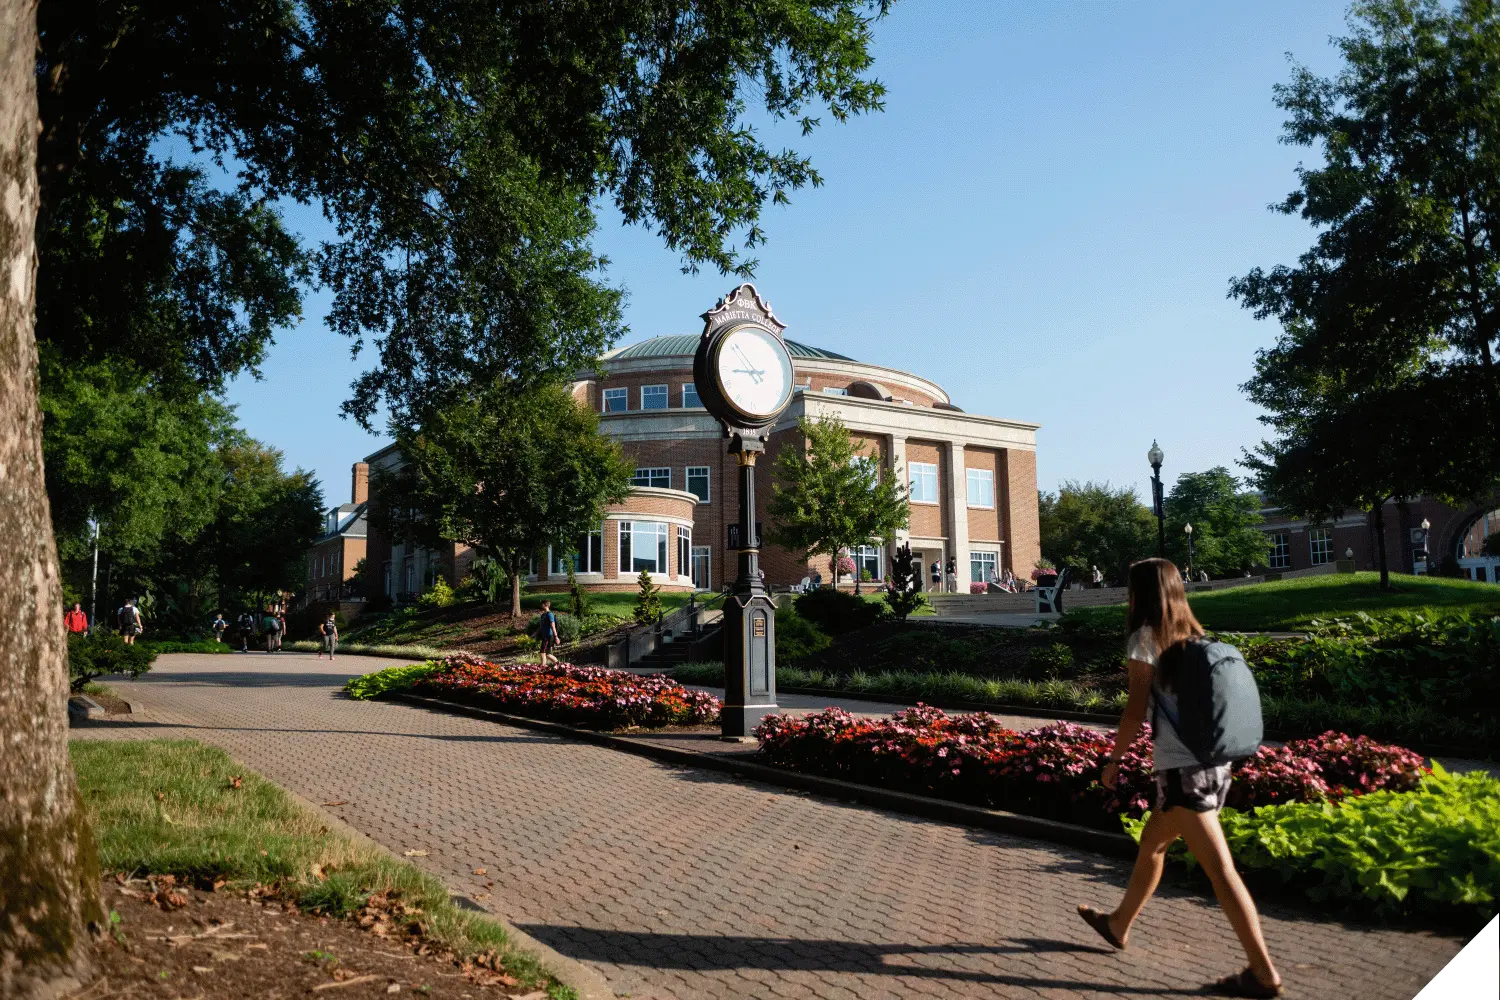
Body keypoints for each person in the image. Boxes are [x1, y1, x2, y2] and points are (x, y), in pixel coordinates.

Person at [1076, 558, 1282, 998]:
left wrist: (1112, 761)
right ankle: (1117, 925)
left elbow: (1134, 713)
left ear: (1140, 594)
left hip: (1183, 772)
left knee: (1220, 870)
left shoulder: (1145, 639)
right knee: (1153, 843)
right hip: (1214, 766)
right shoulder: (1193, 634)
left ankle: (1263, 973)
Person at [536, 599, 561, 666]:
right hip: (544, 636)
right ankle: (558, 664)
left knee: (542, 652)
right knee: (547, 654)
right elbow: (541, 627)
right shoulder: (543, 615)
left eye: (542, 604)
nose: (540, 605)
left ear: (545, 605)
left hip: (548, 636)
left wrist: (556, 637)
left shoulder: (550, 614)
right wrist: (534, 634)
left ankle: (542, 666)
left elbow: (553, 626)